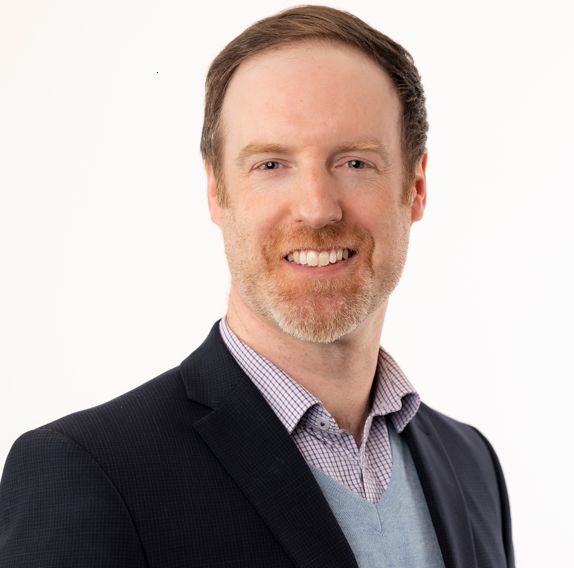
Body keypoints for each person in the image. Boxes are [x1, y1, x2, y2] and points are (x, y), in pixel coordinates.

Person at [0, 5, 514, 567]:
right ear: (216, 192)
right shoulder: (90, 472)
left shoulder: (473, 466)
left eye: (355, 162)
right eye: (271, 165)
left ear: (415, 187)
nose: (317, 209)